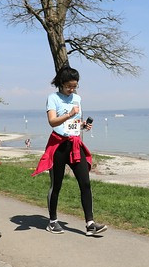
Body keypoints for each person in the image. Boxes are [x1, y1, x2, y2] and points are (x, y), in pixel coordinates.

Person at [32, 66, 107, 236]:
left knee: (85, 183)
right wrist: (68, 114)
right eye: (69, 86)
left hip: (74, 144)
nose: (72, 89)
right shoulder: (52, 98)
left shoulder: (77, 99)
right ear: (60, 83)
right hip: (58, 145)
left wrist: (82, 126)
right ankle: (52, 221)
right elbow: (52, 122)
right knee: (56, 184)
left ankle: (90, 224)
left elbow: (74, 122)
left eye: (75, 86)